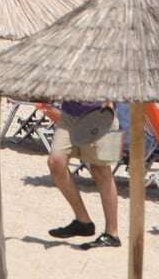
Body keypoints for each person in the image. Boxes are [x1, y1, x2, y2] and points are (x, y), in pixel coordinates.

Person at [46, 99, 120, 250]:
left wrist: (110, 99)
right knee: (56, 162)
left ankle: (112, 233)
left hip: (101, 113)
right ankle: (83, 221)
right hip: (69, 114)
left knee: (102, 171)